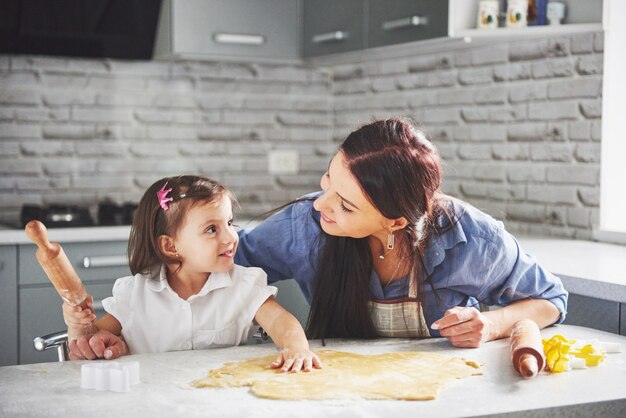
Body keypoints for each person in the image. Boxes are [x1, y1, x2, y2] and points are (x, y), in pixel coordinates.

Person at [235, 117, 568, 348]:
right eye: (327, 181)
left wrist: (491, 325)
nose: (321, 205)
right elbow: (225, 263)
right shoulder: (302, 226)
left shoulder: (471, 238)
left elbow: (550, 300)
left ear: (396, 222)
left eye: (346, 206)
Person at [63, 175, 321, 373]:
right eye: (211, 229)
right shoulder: (135, 293)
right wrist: (79, 327)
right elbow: (92, 342)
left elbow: (282, 323)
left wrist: (296, 348)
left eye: (229, 223)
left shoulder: (244, 284)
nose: (231, 237)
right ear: (170, 246)